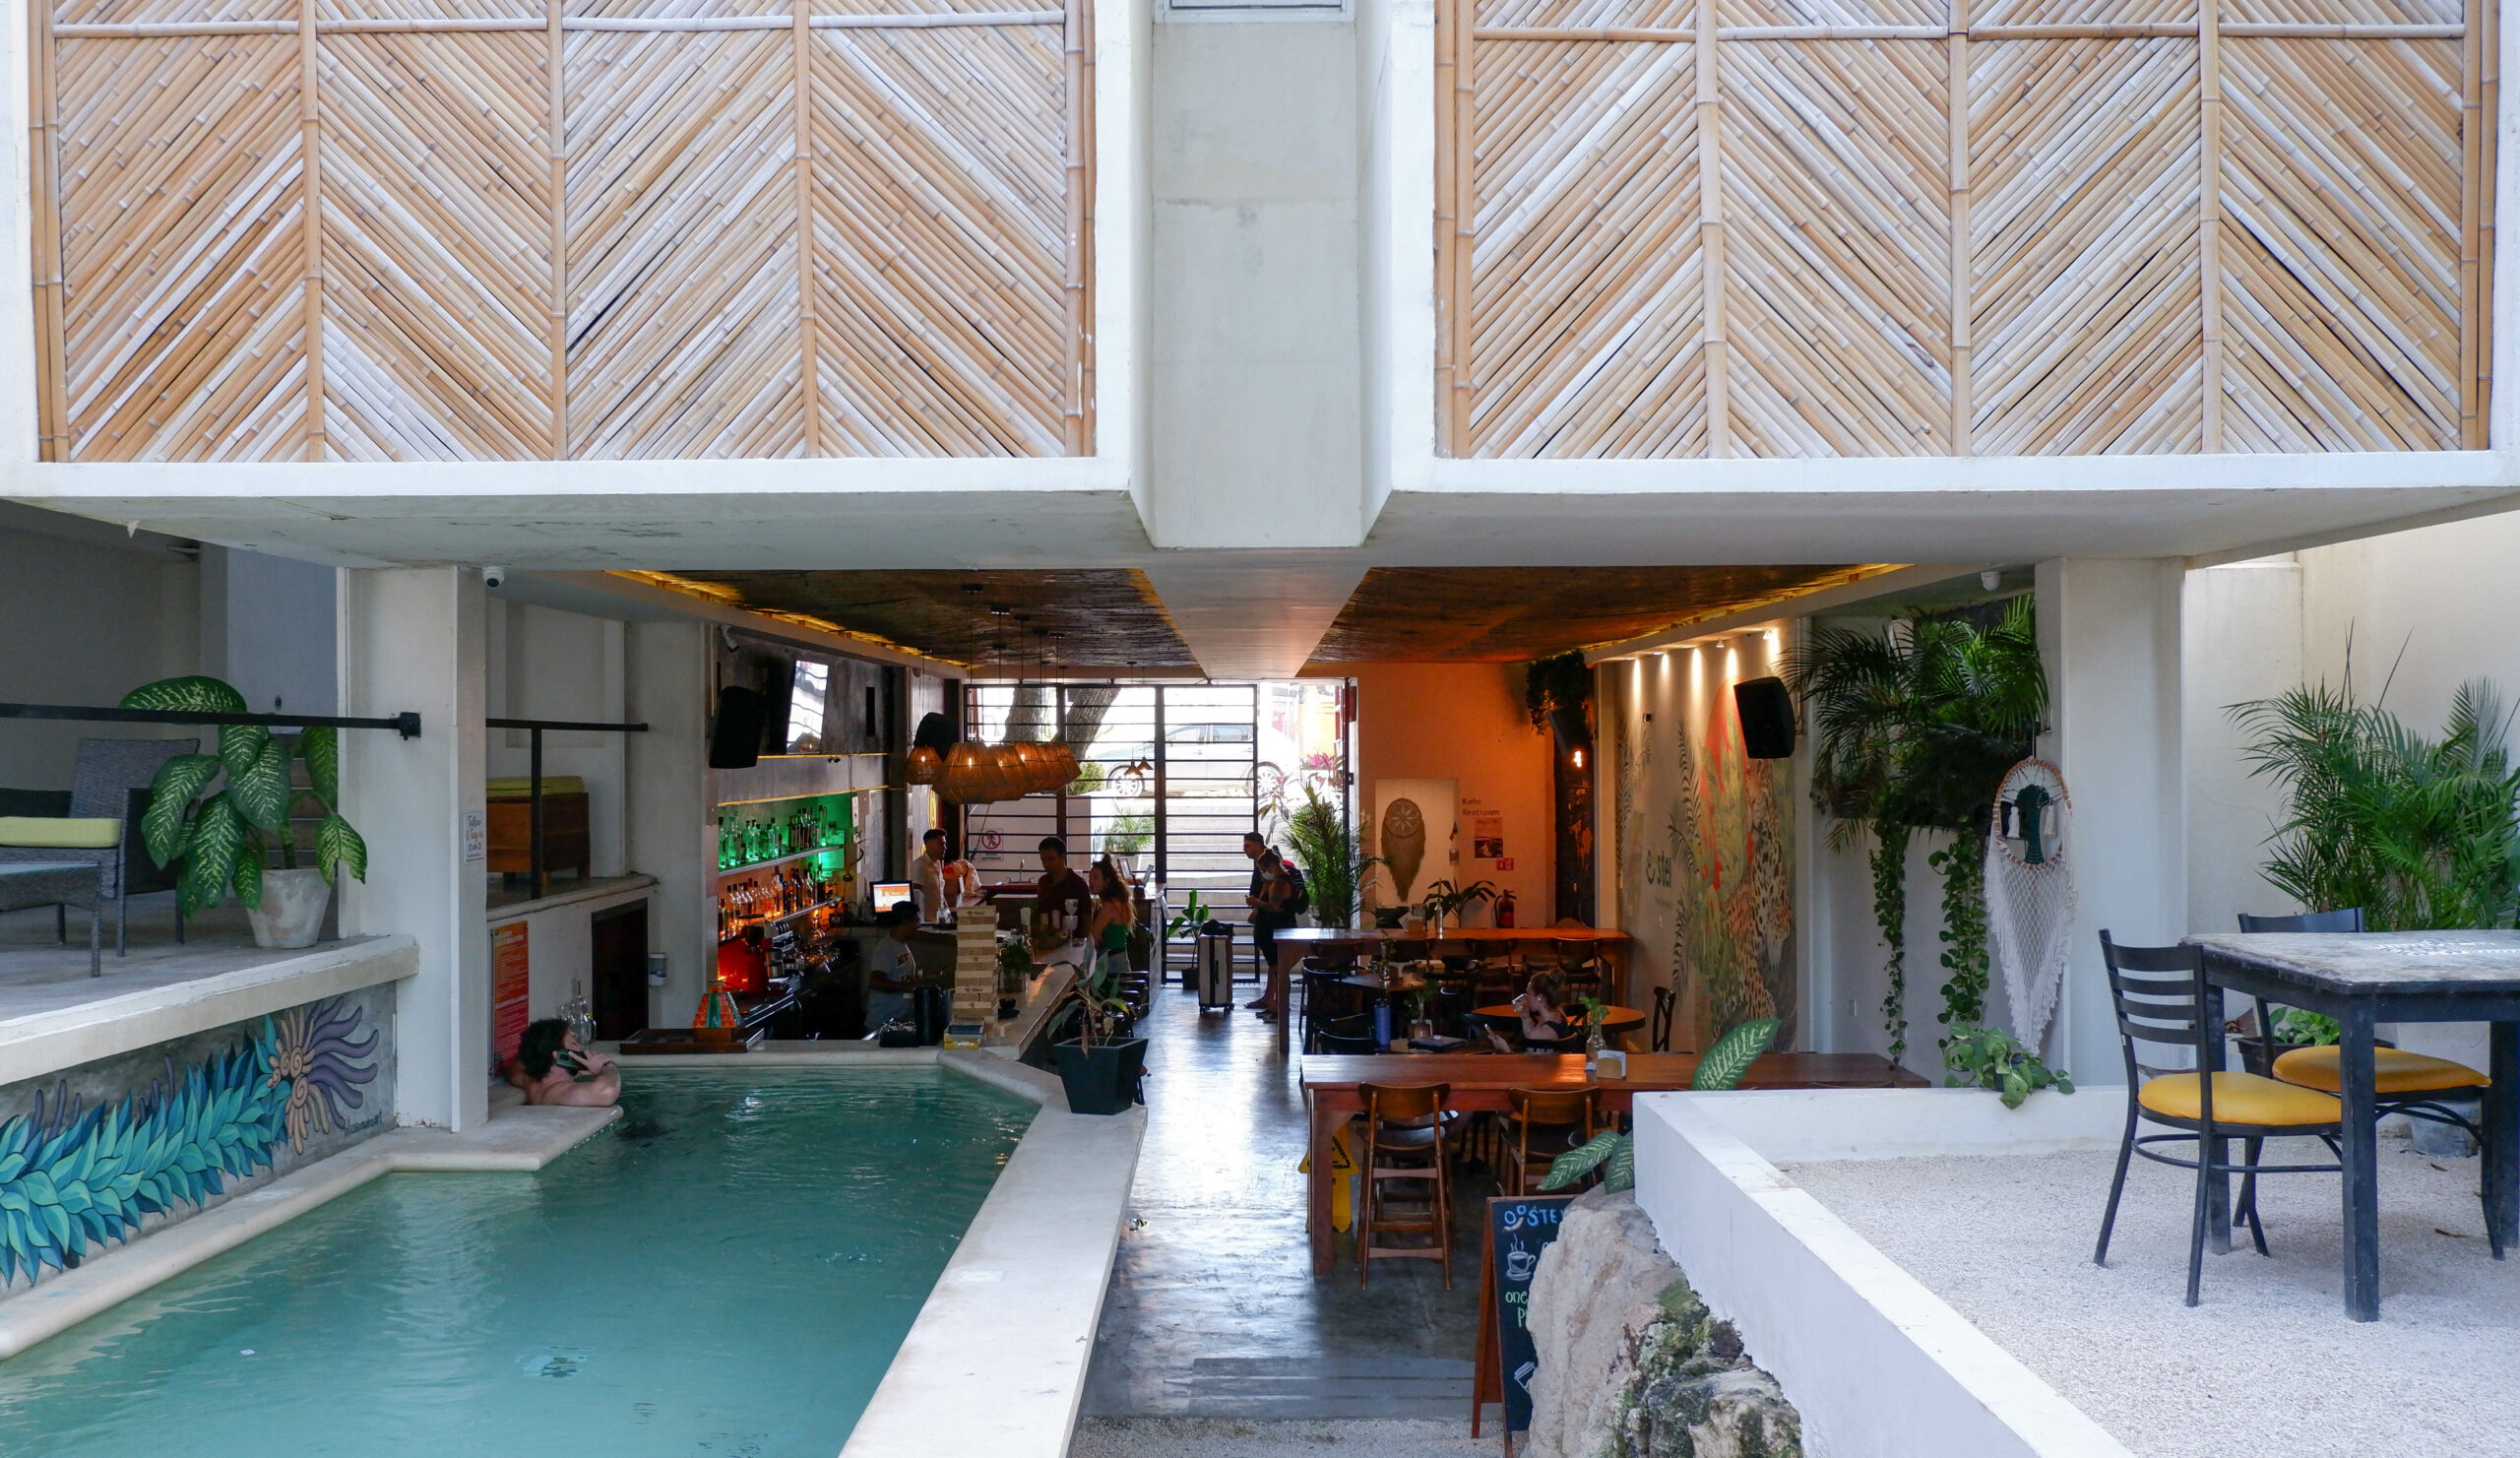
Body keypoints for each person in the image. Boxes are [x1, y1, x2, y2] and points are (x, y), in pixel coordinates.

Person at [509, 1018, 621, 1108]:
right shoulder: (558, 1091)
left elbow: (514, 1068)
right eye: (574, 1043)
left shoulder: (528, 1080)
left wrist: (576, 1072)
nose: (580, 1047)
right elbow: (608, 1092)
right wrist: (606, 1066)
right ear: (558, 1055)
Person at [863, 903, 925, 1031]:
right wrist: (907, 987)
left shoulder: (901, 946)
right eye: (916, 921)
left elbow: (901, 976)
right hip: (882, 1024)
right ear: (906, 923)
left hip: (898, 1021)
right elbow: (875, 982)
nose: (919, 925)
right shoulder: (885, 948)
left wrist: (923, 975)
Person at [1086, 858, 1136, 983]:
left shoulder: (1109, 906)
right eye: (1090, 877)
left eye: (1096, 878)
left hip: (1112, 970)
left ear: (1107, 881)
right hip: (1121, 964)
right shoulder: (1118, 901)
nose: (1090, 881)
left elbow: (1093, 938)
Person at [1035, 837, 1093, 939]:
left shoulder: (1078, 884)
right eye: (1043, 860)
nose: (1046, 864)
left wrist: (1081, 942)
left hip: (1073, 941)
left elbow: (1087, 919)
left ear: (1063, 857)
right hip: (1048, 941)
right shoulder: (1043, 882)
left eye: (1051, 859)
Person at [1504, 971, 1575, 1050]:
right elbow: (1530, 1035)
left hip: (1538, 1058)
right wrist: (1525, 1016)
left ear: (1540, 997)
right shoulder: (1558, 1012)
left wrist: (1505, 1049)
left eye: (1528, 994)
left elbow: (1529, 1053)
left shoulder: (1543, 1032)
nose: (1526, 997)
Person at [910, 828, 954, 922]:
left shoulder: (937, 864)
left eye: (945, 844)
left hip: (938, 922)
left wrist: (948, 918)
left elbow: (940, 895)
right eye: (940, 844)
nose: (945, 847)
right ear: (928, 845)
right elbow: (916, 896)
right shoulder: (920, 865)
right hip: (927, 923)